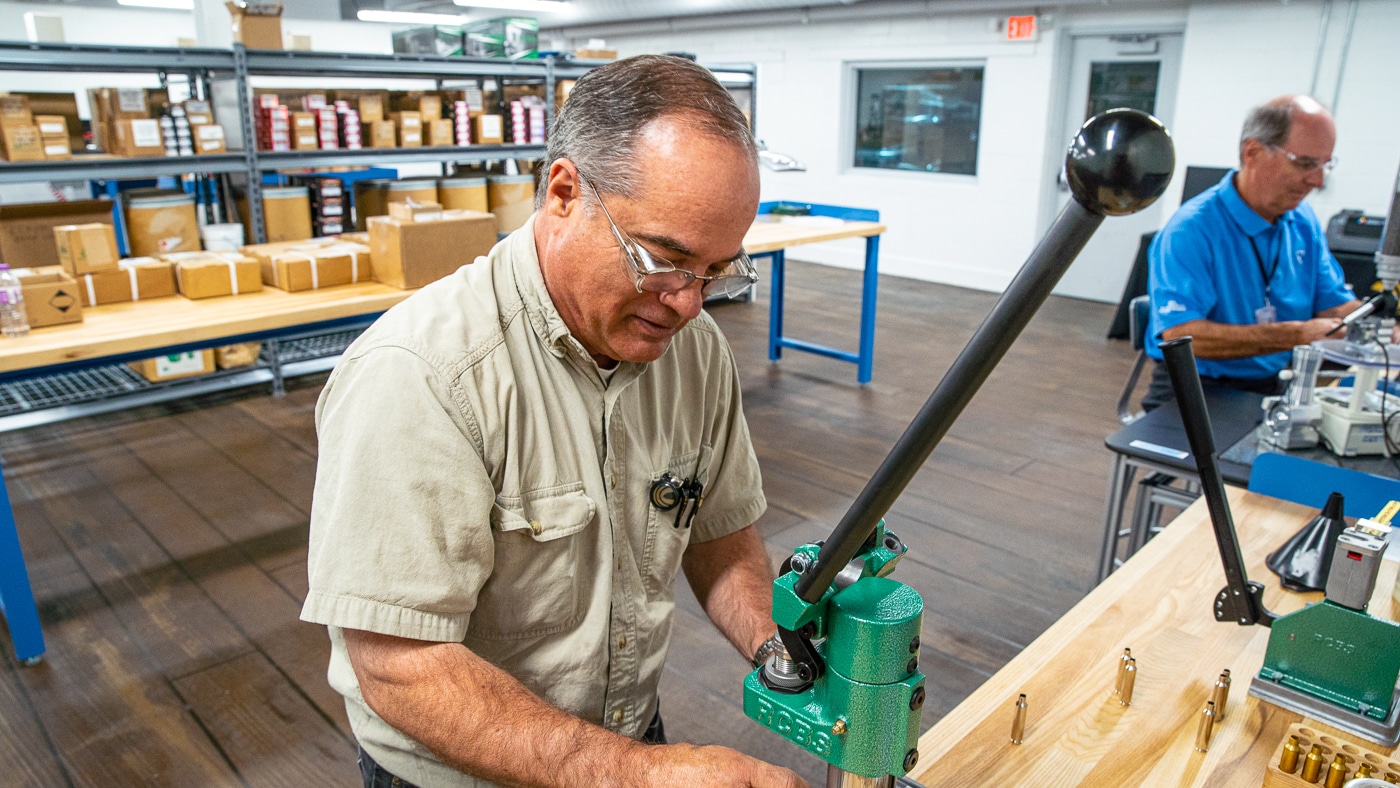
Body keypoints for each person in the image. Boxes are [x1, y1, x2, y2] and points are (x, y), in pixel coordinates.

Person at [301, 55, 806, 788]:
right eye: (663, 259)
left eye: (717, 270)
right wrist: (639, 775)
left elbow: (720, 532)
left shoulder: (693, 353)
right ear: (565, 192)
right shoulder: (422, 375)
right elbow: (398, 666)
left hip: (623, 737)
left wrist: (775, 644)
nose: (688, 303)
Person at [1142, 94, 1359, 410]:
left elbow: (1333, 303)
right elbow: (1181, 337)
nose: (1318, 180)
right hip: (1197, 387)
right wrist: (1296, 334)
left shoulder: (1303, 220)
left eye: (1325, 164)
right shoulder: (1191, 230)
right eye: (1305, 163)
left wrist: (1380, 328)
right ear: (1254, 152)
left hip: (1275, 381)